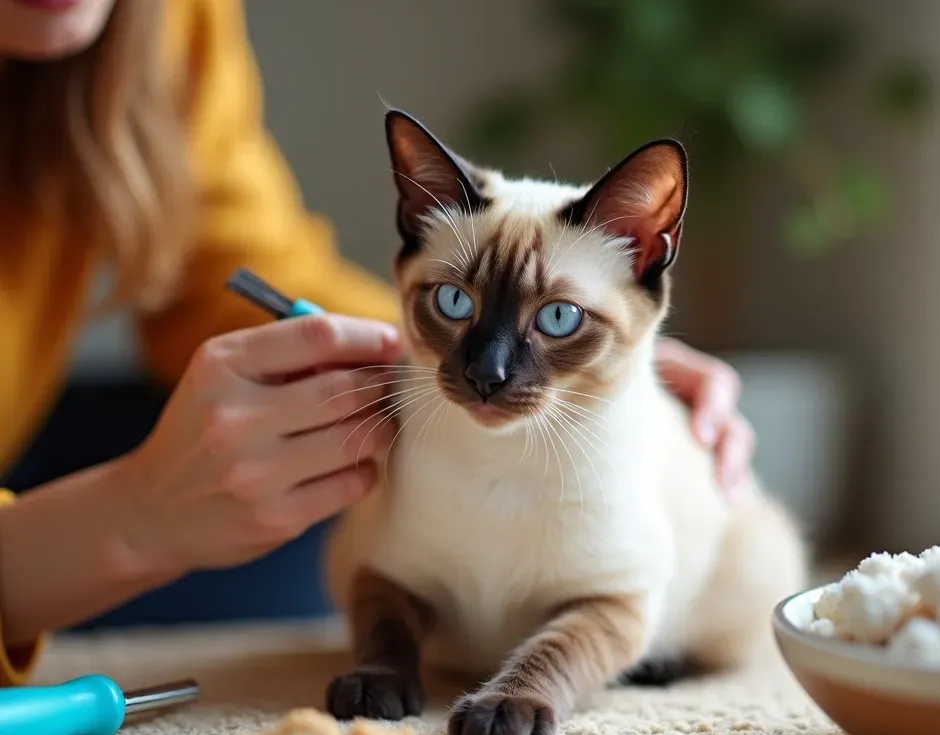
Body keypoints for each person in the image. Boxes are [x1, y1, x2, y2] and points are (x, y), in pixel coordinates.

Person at [0, 0, 756, 687]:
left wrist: (576, 348)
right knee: (364, 555)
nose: (491, 371)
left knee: (320, 513)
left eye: (559, 321)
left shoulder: (166, 15)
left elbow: (229, 273)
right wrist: (134, 514)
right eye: (454, 305)